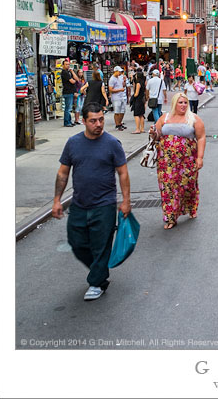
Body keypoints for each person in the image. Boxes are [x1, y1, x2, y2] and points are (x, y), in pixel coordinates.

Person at [52, 102, 131, 301]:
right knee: (77, 243)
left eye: (101, 119)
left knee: (101, 245)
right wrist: (56, 200)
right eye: (93, 121)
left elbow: (123, 173)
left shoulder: (112, 143)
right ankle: (100, 274)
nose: (98, 124)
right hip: (79, 203)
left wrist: (126, 201)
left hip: (104, 204)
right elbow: (63, 173)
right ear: (84, 121)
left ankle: (96, 282)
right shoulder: (73, 143)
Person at [150, 92, 206, 229]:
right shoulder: (165, 117)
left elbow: (201, 137)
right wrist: (153, 133)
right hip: (166, 162)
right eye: (180, 102)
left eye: (185, 102)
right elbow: (157, 135)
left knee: (187, 186)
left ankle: (191, 207)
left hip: (187, 161)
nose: (183, 105)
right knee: (168, 188)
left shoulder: (193, 118)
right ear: (174, 104)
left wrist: (200, 157)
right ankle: (170, 217)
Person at [108, 66, 128, 131]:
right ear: (115, 71)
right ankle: (117, 124)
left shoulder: (120, 77)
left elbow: (123, 85)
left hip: (122, 96)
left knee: (122, 111)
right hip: (116, 97)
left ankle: (120, 123)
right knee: (117, 111)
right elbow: (110, 89)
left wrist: (124, 81)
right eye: (119, 72)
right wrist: (119, 90)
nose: (120, 73)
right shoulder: (112, 79)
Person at [60, 59, 77, 127]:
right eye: (66, 64)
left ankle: (69, 121)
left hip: (71, 91)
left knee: (69, 108)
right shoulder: (64, 72)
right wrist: (73, 80)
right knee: (68, 108)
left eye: (68, 64)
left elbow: (76, 78)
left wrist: (72, 72)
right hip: (67, 91)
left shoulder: (69, 72)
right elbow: (73, 81)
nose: (68, 66)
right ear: (63, 65)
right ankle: (67, 122)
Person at [130, 69, 146, 134]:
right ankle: (142, 128)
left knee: (136, 114)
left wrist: (132, 97)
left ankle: (137, 129)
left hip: (138, 100)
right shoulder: (143, 82)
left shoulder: (138, 83)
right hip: (142, 99)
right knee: (141, 115)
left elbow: (136, 93)